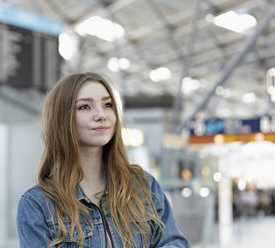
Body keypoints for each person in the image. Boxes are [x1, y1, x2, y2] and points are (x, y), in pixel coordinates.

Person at [17, 72, 190, 247]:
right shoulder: (37, 204)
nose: (101, 115)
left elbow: (174, 242)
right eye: (85, 106)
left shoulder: (143, 185)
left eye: (108, 105)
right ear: (61, 118)